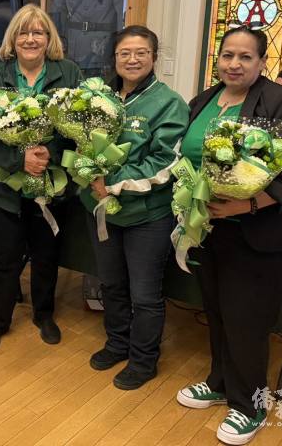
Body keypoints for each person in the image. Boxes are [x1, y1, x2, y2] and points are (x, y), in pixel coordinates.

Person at [175, 26, 282, 445]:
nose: (234, 64)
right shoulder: (205, 99)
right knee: (217, 312)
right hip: (210, 228)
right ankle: (220, 382)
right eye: (228, 55)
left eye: (245, 57)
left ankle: (250, 405)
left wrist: (250, 204)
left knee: (246, 320)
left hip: (262, 231)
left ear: (262, 62)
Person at [84, 26, 189, 390]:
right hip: (103, 211)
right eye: (124, 53)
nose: (132, 59)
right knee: (111, 284)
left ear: (154, 57)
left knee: (144, 295)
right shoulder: (99, 97)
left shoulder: (169, 103)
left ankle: (143, 360)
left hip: (147, 216)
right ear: (114, 58)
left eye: (141, 52)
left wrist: (111, 182)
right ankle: (118, 344)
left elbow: (165, 162)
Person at [0, 4, 82, 351]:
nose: (31, 39)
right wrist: (19, 160)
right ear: (13, 38)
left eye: (38, 32)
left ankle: (44, 315)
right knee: (4, 258)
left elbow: (79, 126)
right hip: (5, 186)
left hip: (52, 183)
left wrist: (49, 153)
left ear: (49, 38)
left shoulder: (69, 73)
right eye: (23, 32)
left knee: (46, 255)